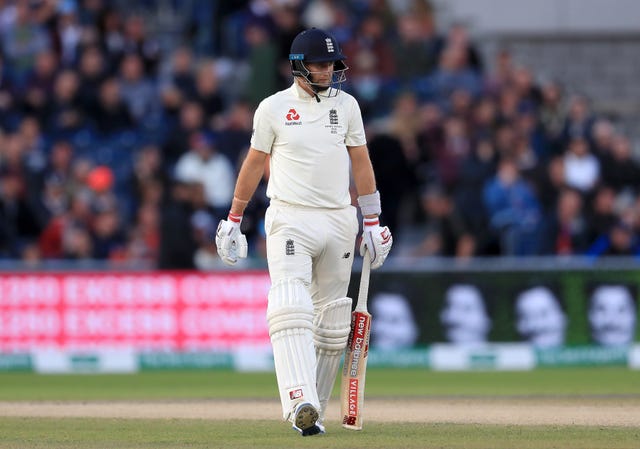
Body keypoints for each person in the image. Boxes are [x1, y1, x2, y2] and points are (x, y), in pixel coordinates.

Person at [215, 28, 393, 437]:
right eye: (318, 63)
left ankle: (313, 413)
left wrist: (372, 221)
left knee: (332, 325)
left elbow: (362, 163)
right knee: (291, 303)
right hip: (290, 217)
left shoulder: (347, 107)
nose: (327, 70)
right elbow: (254, 164)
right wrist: (234, 217)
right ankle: (298, 400)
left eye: (331, 63)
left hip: (338, 218)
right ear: (298, 66)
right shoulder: (273, 108)